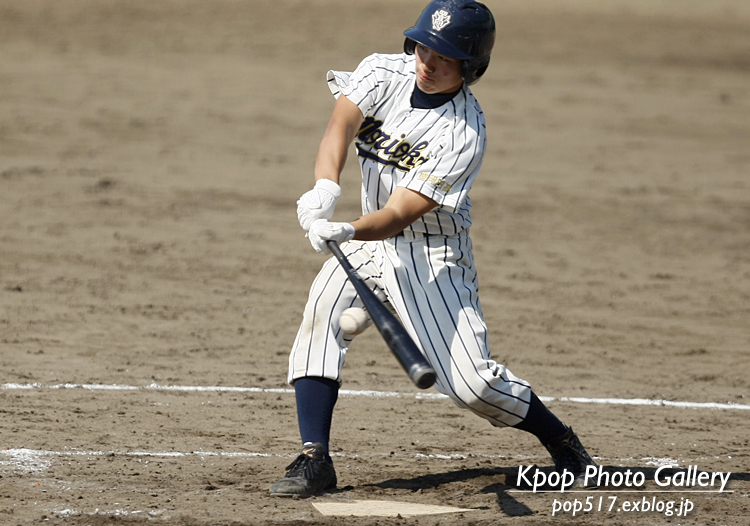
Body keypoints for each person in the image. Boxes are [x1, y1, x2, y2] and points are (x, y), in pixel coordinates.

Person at [270, 0, 597, 498]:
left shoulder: (463, 132)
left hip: (429, 256)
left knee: (472, 386)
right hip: (364, 236)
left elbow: (400, 213)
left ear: (470, 66)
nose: (427, 60)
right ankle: (315, 457)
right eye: (423, 46)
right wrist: (324, 188)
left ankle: (561, 439)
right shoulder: (384, 71)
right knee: (322, 315)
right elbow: (340, 126)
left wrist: (349, 230)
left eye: (443, 56)